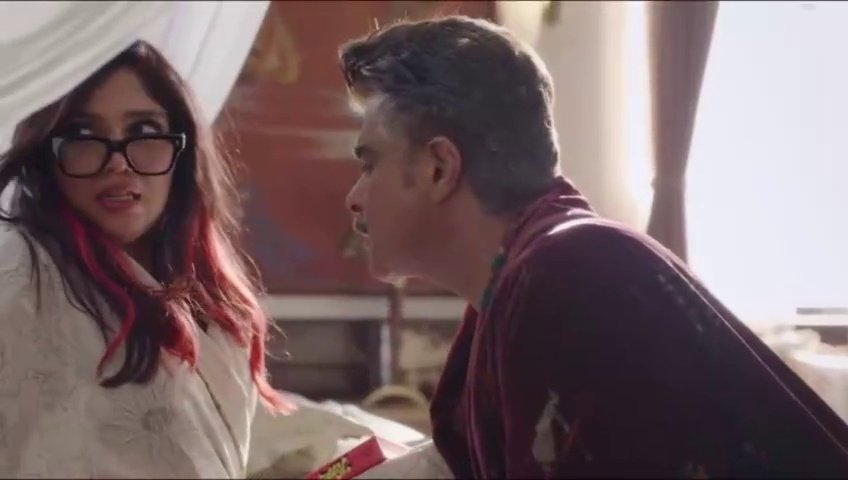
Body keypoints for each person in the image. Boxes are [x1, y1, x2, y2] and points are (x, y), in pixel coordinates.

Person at [338, 15, 848, 478]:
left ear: (439, 168)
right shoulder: (518, 283)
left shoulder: (567, 273)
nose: (354, 197)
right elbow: (457, 462)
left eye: (369, 163)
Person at [0, 40, 292, 477]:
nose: (119, 164)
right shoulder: (19, 275)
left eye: (144, 131)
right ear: (48, 156)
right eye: (83, 136)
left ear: (181, 150)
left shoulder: (214, 304)